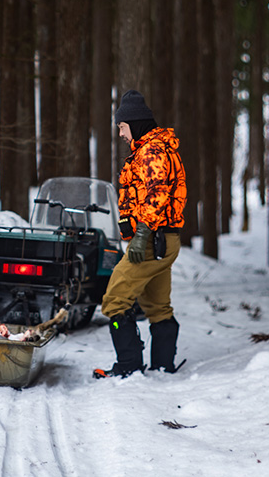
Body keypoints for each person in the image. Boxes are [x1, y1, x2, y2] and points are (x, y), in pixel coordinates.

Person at [94, 90, 186, 378]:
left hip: (152, 240)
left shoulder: (153, 152)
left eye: (122, 127)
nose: (120, 133)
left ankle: (128, 367)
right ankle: (162, 366)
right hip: (160, 239)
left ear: (134, 123)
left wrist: (142, 233)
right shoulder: (151, 149)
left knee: (115, 300)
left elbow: (157, 195)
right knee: (157, 305)